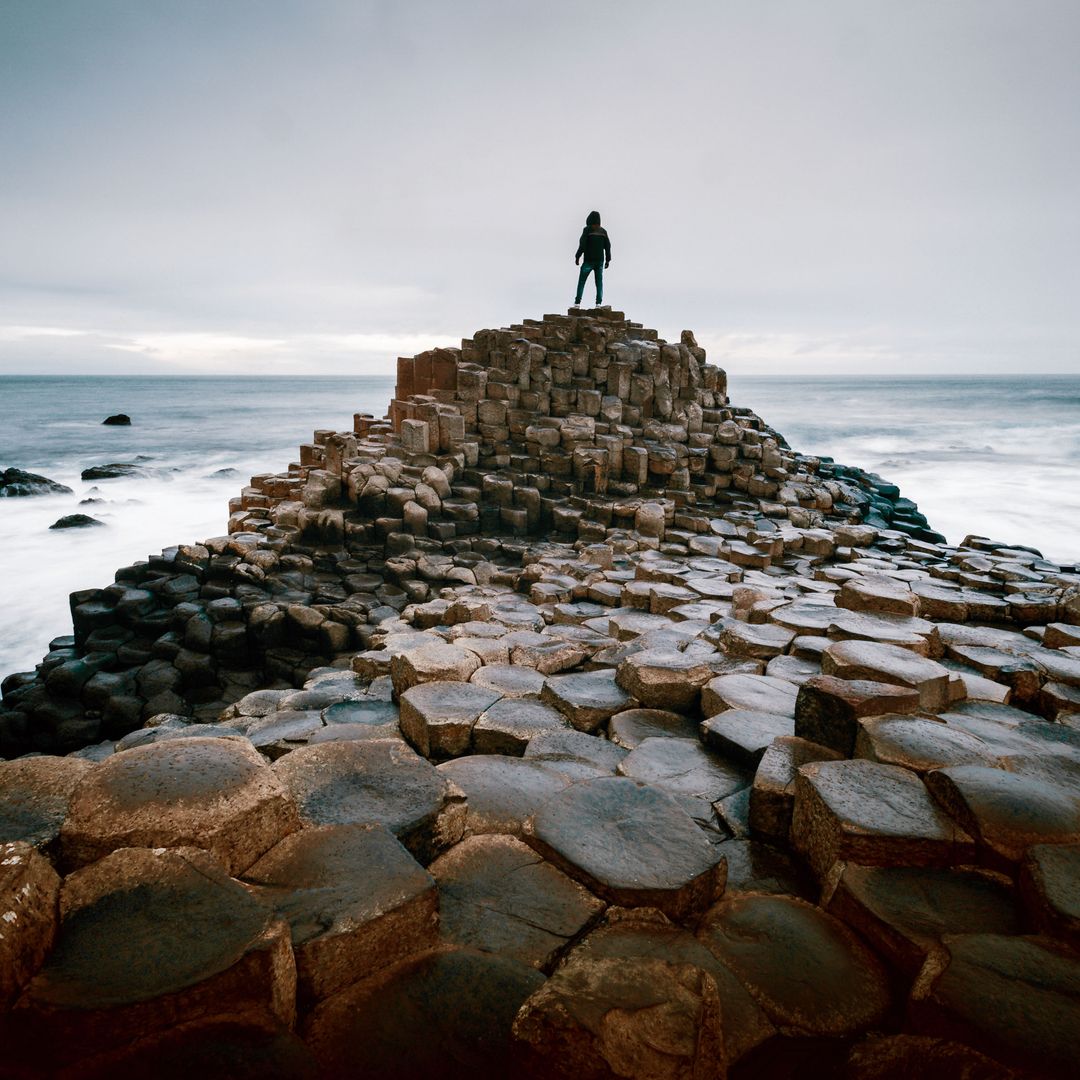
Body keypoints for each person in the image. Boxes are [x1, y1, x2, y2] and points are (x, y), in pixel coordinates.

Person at [574, 210, 611, 307]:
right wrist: (608, 260)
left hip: (588, 260)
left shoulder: (587, 230)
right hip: (600, 261)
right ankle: (598, 303)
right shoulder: (603, 231)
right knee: (599, 282)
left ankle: (577, 303)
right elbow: (608, 246)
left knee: (582, 281)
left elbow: (582, 244)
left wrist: (577, 256)